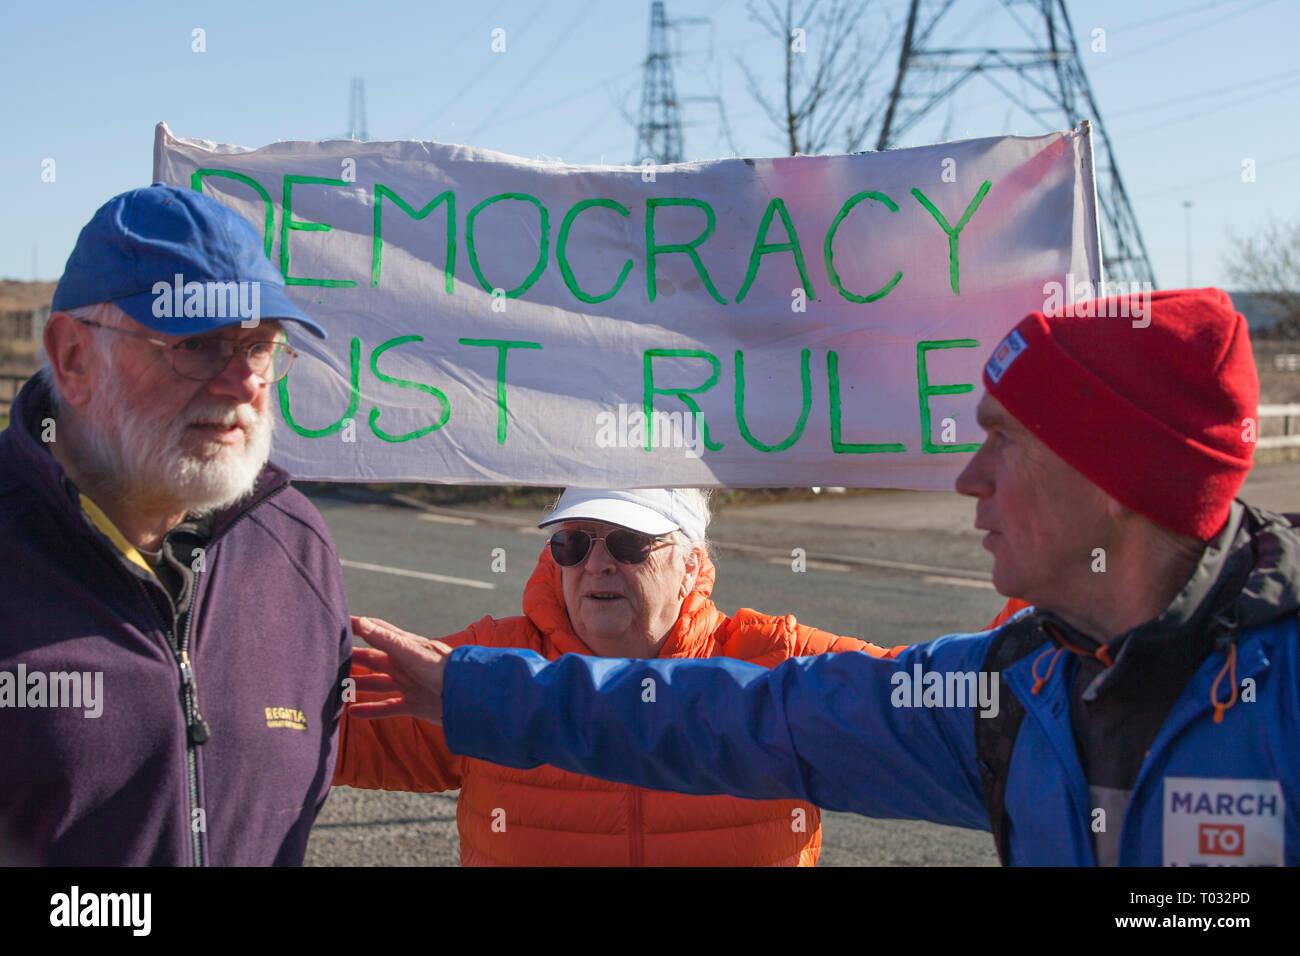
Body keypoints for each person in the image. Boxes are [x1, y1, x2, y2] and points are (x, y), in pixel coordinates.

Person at [351, 288, 1300, 866]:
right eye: (573, 543)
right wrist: (466, 687)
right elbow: (715, 718)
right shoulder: (1006, 697)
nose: (968, 477)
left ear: (1112, 481)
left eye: (1004, 444)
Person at [0, 185, 352, 865]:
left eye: (258, 348)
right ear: (73, 358)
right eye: (196, 345)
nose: (241, 383)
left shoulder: (297, 545)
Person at [339, 487, 904, 866]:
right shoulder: (487, 660)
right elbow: (314, 728)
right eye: (574, 542)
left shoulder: (779, 659)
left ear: (691, 563)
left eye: (630, 543)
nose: (597, 564)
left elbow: (938, 705)